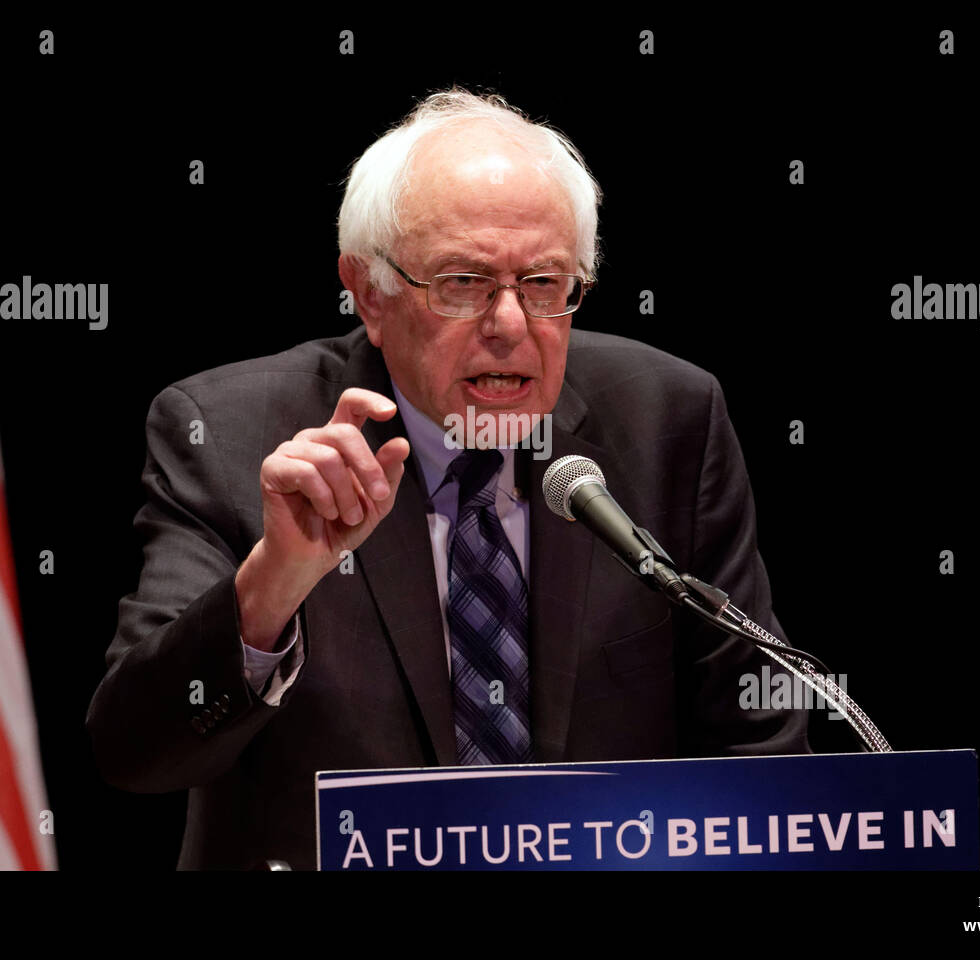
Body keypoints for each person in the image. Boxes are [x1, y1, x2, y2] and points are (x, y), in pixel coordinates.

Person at [86, 88, 809, 870]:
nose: (509, 324)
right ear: (369, 291)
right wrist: (273, 586)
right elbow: (135, 755)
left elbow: (756, 749)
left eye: (544, 284)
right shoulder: (229, 436)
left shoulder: (668, 421)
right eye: (462, 283)